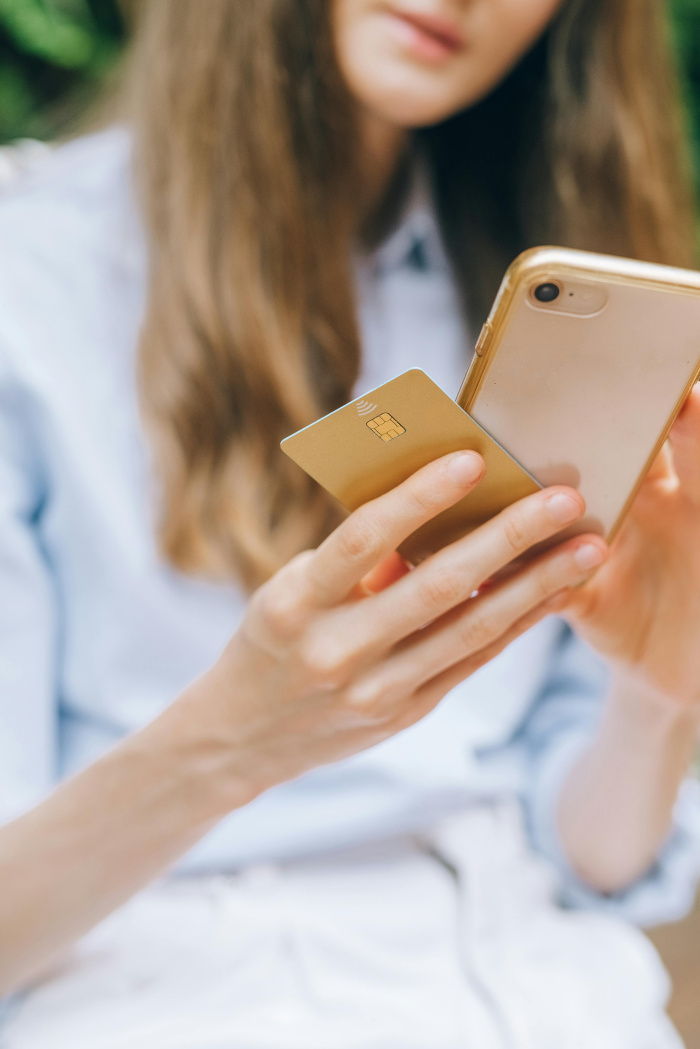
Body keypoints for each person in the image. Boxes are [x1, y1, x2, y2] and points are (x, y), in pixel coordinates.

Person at [0, 0, 699, 1045]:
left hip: (537, 986)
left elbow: (588, 859)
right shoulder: (32, 288)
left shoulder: (553, 297)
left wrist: (660, 695)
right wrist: (229, 742)